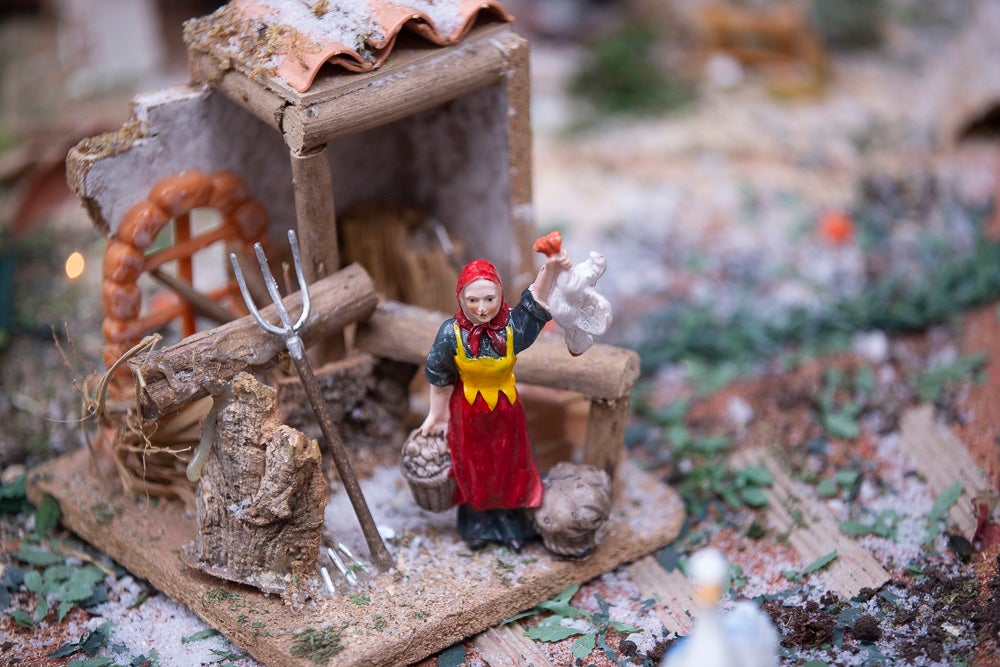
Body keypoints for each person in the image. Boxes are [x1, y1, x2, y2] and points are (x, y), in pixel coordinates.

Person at [419, 251, 571, 550]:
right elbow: (438, 375)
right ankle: (479, 523)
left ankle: (510, 520)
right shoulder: (451, 334)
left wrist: (551, 268)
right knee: (475, 467)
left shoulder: (512, 327)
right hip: (468, 411)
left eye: (489, 298)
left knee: (510, 466)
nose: (482, 307)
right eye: (473, 300)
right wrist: (437, 414)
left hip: (505, 410)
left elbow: (535, 300)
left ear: (500, 294)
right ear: (460, 298)